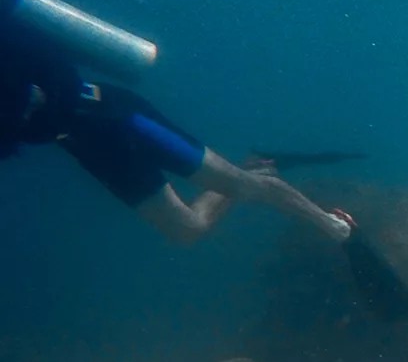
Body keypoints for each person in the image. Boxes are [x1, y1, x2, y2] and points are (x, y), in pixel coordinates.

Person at [0, 14, 352, 246]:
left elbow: (58, 67)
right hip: (86, 146)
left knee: (241, 188)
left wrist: (39, 97)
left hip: (117, 116)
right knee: (188, 230)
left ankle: (330, 225)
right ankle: (255, 164)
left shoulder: (11, 40)